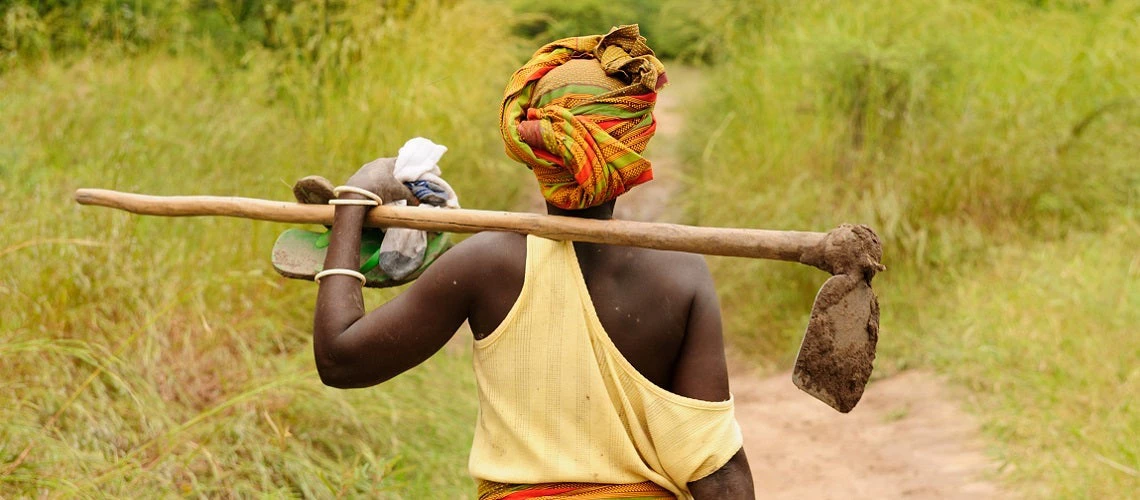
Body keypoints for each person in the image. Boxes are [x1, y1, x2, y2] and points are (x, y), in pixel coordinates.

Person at [310, 25, 754, 499]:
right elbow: (720, 474)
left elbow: (341, 360)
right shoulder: (681, 275)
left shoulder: (485, 263)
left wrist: (352, 204)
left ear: (533, 148)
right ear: (633, 146)